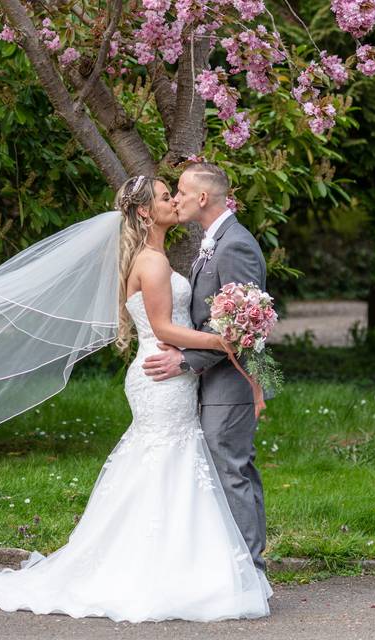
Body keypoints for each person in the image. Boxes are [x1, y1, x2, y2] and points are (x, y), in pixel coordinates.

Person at [0, 174, 272, 623]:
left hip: (168, 373)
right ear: (145, 211)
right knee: (169, 463)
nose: (173, 201)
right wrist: (227, 341)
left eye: (176, 193)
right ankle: (178, 571)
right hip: (163, 373)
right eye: (166, 196)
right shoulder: (154, 263)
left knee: (169, 466)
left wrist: (227, 349)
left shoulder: (157, 256)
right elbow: (162, 329)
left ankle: (178, 565)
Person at [142, 163, 269, 574]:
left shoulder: (235, 246)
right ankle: (230, 568)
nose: (175, 198)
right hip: (211, 381)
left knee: (232, 469)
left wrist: (186, 358)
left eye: (180, 191)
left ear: (202, 198)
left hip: (230, 383)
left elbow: (239, 328)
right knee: (223, 469)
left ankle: (250, 570)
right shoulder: (213, 242)